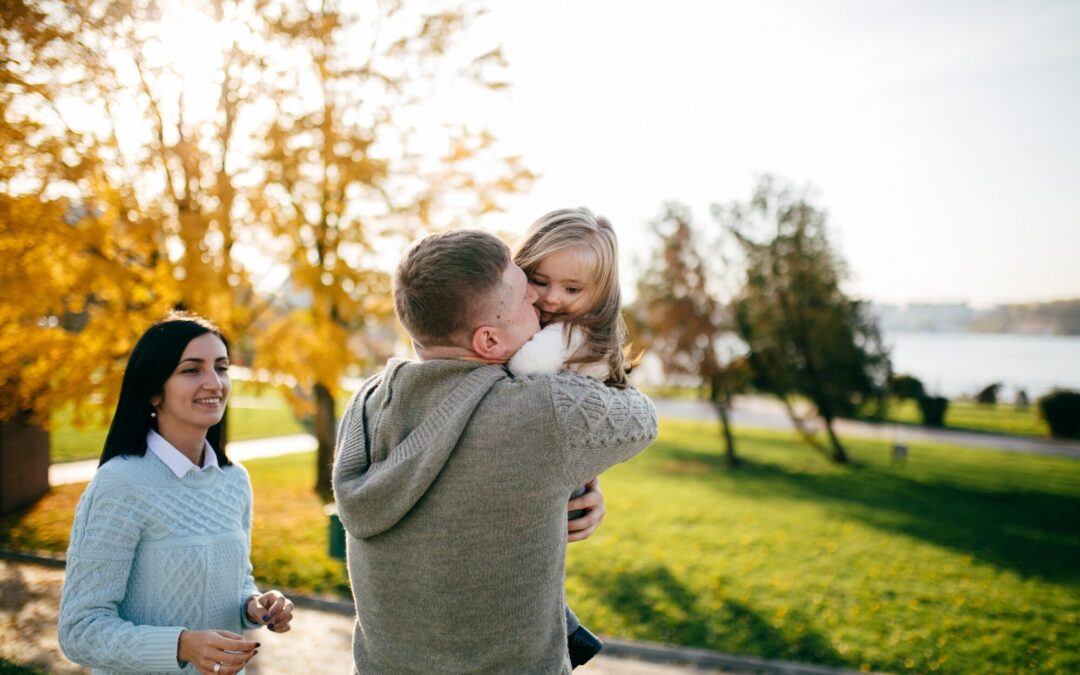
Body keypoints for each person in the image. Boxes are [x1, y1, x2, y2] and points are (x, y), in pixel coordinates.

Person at [333, 229, 658, 673]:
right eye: (530, 296)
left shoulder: (365, 406)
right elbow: (642, 417)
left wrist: (564, 488)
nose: (544, 309)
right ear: (488, 342)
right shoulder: (546, 412)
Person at [58, 312, 294, 675]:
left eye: (221, 367)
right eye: (191, 370)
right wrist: (181, 645)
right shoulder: (120, 483)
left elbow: (235, 580)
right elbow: (79, 631)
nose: (214, 382)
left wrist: (253, 604)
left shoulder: (235, 480)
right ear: (153, 390)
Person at [505, 206, 638, 666]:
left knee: (518, 563)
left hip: (548, 470)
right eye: (539, 280)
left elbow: (520, 370)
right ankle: (563, 630)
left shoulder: (573, 336)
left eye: (572, 288)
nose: (552, 298)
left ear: (599, 294)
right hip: (536, 464)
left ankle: (559, 632)